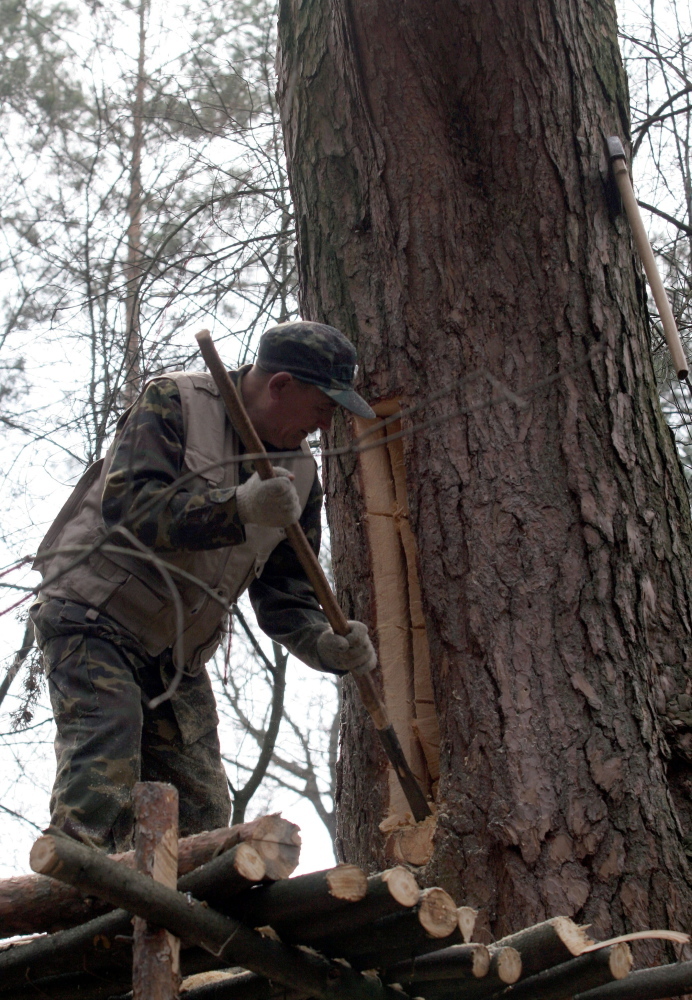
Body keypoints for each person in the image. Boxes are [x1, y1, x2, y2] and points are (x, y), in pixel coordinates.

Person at [31, 321, 377, 852]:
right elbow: (130, 509)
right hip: (94, 616)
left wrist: (322, 643)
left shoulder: (301, 477)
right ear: (281, 385)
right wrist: (236, 508)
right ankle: (74, 886)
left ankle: (170, 906)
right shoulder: (176, 401)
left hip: (176, 655)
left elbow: (286, 594)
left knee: (204, 814)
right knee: (102, 775)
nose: (325, 425)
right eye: (322, 407)